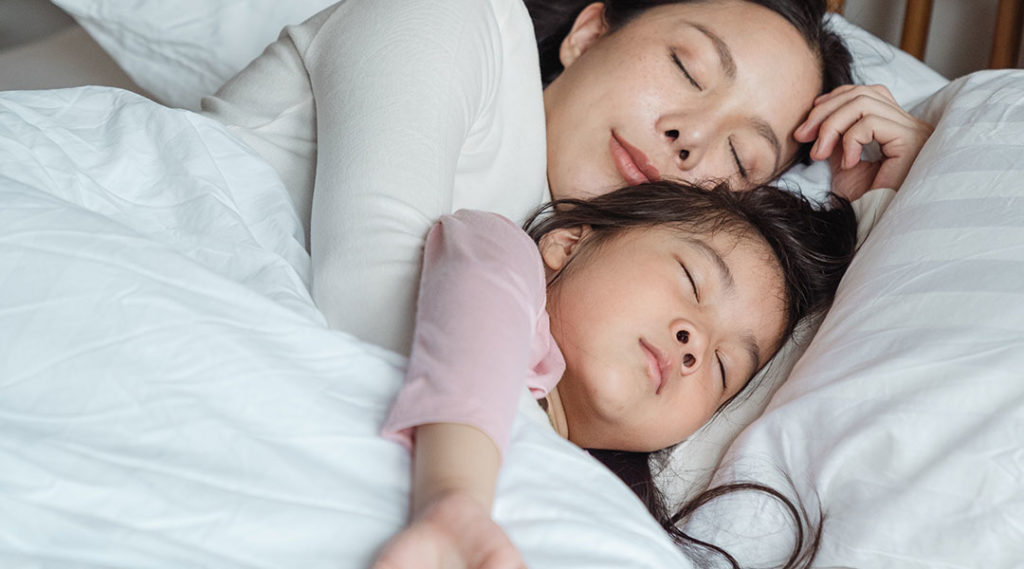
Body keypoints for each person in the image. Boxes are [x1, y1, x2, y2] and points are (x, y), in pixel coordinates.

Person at [201, 0, 932, 355]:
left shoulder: (568, 254)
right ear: (589, 32)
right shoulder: (456, 21)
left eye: (741, 160)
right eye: (687, 67)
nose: (691, 137)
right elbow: (376, 297)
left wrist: (868, 210)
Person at [372, 180, 860, 569]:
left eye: (722, 366)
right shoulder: (499, 257)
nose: (695, 346)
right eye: (691, 280)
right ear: (569, 242)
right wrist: (454, 500)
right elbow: (477, 318)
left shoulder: (613, 516)